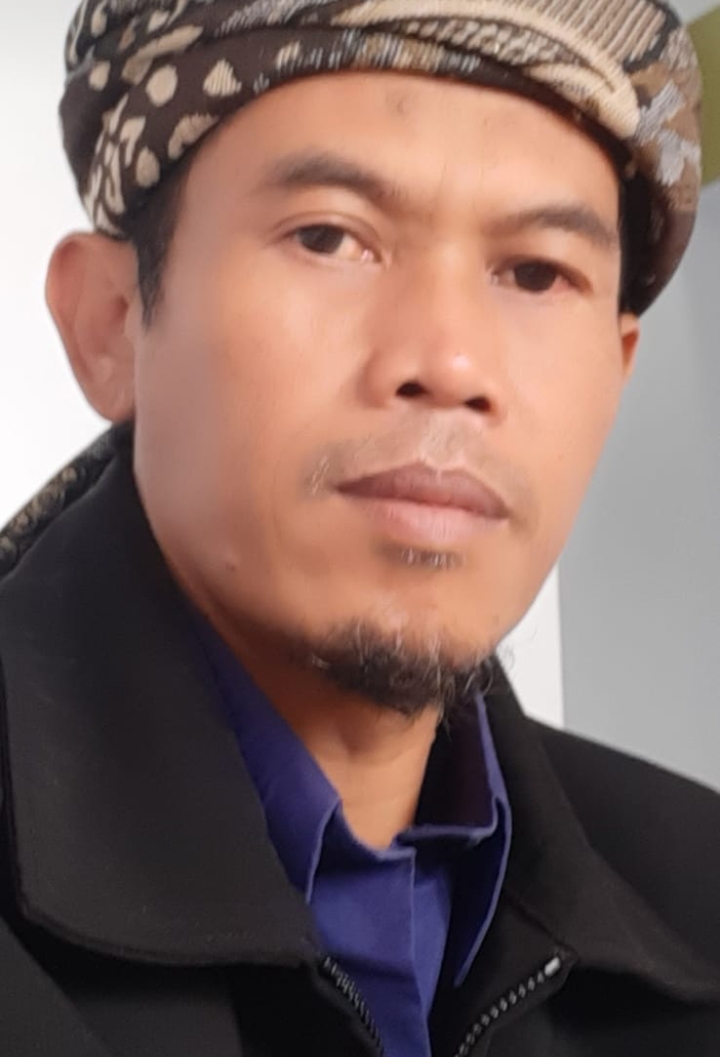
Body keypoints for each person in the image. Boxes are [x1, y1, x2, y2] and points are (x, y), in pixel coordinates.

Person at [1, 0, 718, 1054]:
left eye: (535, 272)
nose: (451, 362)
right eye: (331, 237)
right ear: (111, 324)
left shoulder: (697, 888)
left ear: (614, 377)